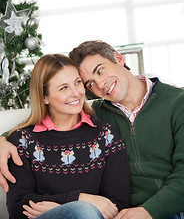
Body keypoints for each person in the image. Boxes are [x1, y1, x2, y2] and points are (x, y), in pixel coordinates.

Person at [0, 40, 184, 219]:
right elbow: (29, 134)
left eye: (100, 70)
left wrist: (148, 211)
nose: (100, 84)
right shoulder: (96, 113)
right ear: (45, 97)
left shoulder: (176, 103)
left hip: (168, 207)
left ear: (119, 59)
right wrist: (2, 141)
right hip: (127, 213)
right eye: (89, 83)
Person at [3, 54, 130, 219]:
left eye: (77, 82)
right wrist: (77, 199)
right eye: (63, 88)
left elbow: (116, 205)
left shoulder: (105, 135)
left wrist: (56, 205)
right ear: (44, 97)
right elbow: (18, 207)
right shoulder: (23, 141)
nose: (76, 93)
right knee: (82, 210)